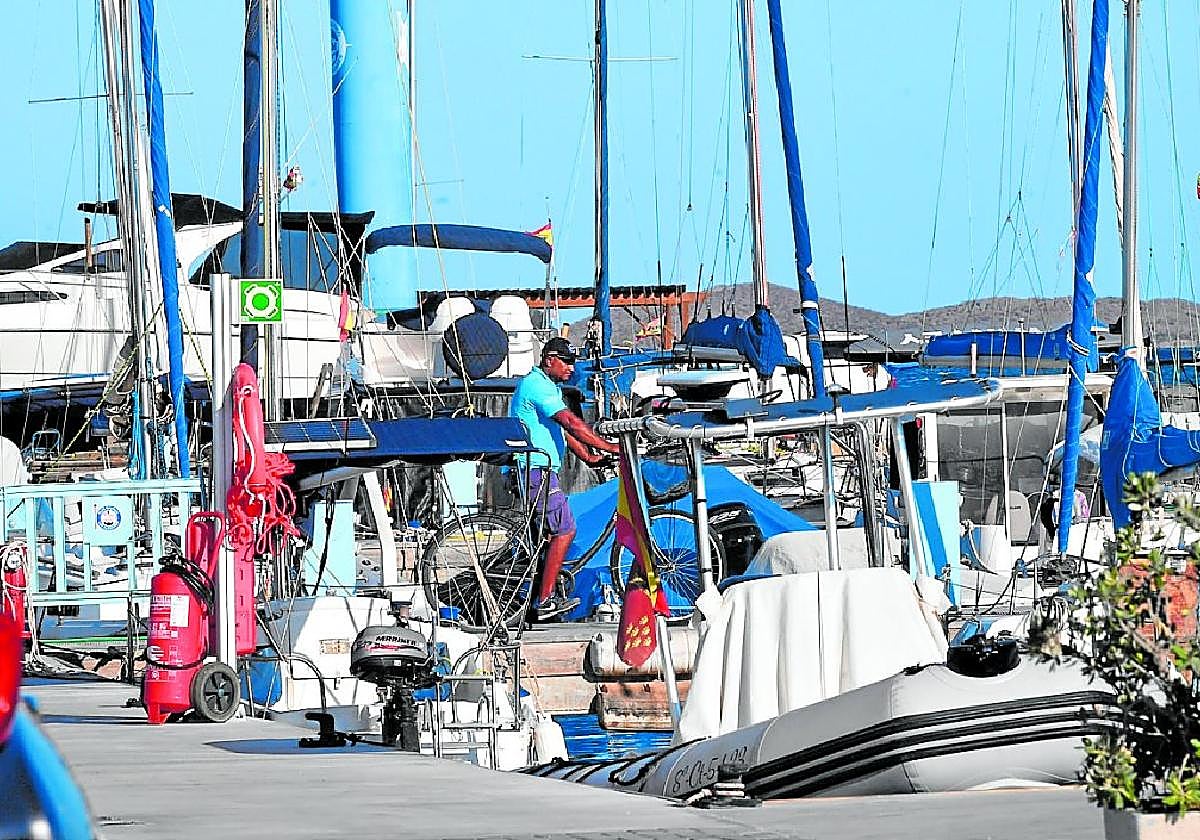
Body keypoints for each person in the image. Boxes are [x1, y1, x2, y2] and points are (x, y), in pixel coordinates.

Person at [509, 337, 620, 620]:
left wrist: (588, 456)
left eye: (573, 362)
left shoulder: (548, 387)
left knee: (548, 537)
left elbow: (561, 432)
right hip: (536, 469)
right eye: (567, 362)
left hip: (541, 469)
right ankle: (544, 601)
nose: (572, 368)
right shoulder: (537, 385)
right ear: (549, 360)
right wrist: (610, 446)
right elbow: (570, 422)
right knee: (565, 530)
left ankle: (538, 597)